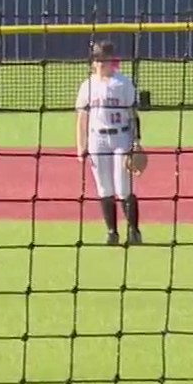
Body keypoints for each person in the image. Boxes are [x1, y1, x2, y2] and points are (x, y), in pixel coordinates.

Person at [74, 40, 144, 246]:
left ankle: (134, 230)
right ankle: (112, 232)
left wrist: (136, 143)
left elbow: (133, 115)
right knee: (104, 187)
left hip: (121, 137)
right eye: (99, 59)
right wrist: (81, 146)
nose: (102, 64)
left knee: (123, 187)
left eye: (105, 59)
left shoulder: (123, 83)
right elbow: (82, 118)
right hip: (97, 140)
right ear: (94, 62)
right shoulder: (87, 86)